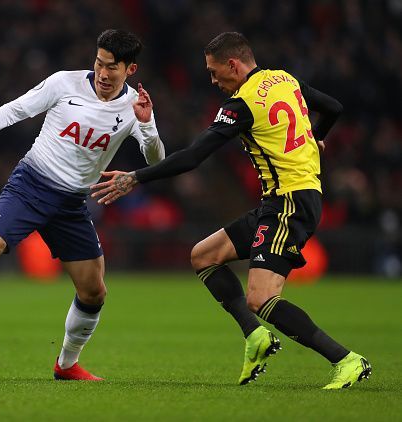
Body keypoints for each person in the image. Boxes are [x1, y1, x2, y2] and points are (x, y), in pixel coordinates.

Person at [91, 32, 371, 389]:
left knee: (261, 297)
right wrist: (318, 137)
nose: (212, 80)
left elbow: (193, 156)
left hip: (289, 203)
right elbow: (333, 106)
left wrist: (135, 177)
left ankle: (346, 360)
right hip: (284, 199)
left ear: (233, 65)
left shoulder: (242, 104)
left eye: (214, 71)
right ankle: (255, 337)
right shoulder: (284, 79)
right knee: (204, 256)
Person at [0, 29, 165, 381]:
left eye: (112, 67)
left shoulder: (135, 107)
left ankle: (66, 365)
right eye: (99, 63)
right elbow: (14, 110)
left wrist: (148, 126)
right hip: (31, 185)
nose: (103, 73)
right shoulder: (63, 84)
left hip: (71, 203)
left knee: (94, 291)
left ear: (131, 69)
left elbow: (156, 160)